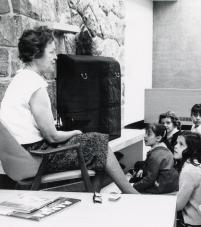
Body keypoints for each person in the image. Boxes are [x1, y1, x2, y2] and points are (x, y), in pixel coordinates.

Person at [0, 26, 138, 193]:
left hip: (19, 156)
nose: (55, 57)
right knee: (99, 142)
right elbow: (52, 136)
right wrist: (75, 132)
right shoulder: (36, 86)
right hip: (36, 157)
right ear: (37, 54)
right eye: (51, 52)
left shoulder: (19, 79)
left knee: (94, 143)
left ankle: (95, 196)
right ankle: (131, 194)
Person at [174, 131, 201, 227]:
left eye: (181, 144)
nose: (175, 146)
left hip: (193, 223)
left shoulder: (188, 170)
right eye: (176, 142)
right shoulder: (196, 164)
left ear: (191, 149)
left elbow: (178, 205)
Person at [132, 123, 179, 194]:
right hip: (172, 183)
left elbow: (150, 179)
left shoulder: (156, 154)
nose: (145, 137)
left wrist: (134, 186)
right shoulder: (164, 148)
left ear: (158, 138)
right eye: (145, 133)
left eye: (149, 134)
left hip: (162, 186)